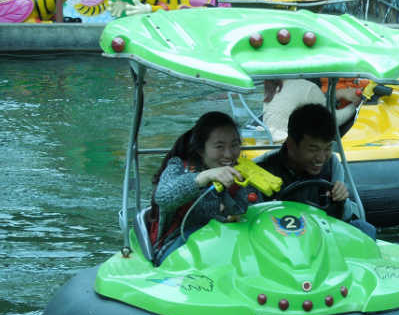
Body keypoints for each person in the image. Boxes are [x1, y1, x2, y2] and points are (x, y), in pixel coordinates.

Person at [259, 103, 377, 240]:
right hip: (278, 239)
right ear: (291, 144)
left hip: (322, 235)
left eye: (327, 148)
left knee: (365, 229)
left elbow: (344, 218)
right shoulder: (262, 168)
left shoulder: (331, 164)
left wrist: (340, 199)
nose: (321, 158)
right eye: (313, 149)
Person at [149, 111, 251, 263]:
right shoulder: (178, 166)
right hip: (180, 248)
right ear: (200, 149)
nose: (229, 154)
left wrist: (239, 216)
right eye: (220, 146)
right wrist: (203, 177)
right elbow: (163, 197)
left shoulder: (243, 171)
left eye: (234, 145)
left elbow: (254, 207)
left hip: (231, 244)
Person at [260, 79, 363, 143]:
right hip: (289, 148)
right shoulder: (307, 87)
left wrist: (339, 94)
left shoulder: (273, 88)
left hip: (268, 143)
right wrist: (355, 104)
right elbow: (333, 120)